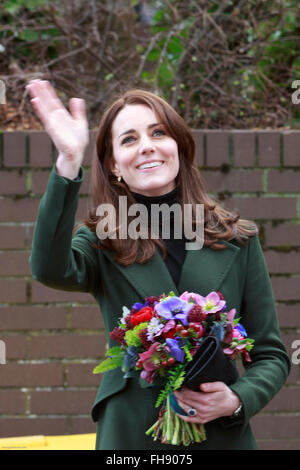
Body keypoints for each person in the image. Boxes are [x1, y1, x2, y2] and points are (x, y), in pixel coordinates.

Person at [26, 79, 290, 450]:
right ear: (114, 165)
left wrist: (236, 400)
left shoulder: (237, 238)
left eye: (158, 132)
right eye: (129, 139)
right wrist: (68, 162)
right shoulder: (101, 239)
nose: (147, 145)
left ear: (178, 146)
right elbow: (49, 269)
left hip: (219, 435)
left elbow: (270, 354)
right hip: (132, 435)